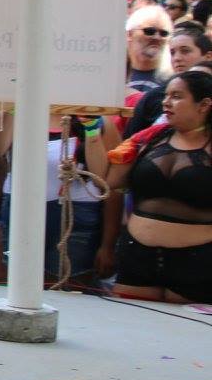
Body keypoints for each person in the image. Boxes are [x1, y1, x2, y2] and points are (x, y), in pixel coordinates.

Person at [88, 70, 212, 303]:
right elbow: (107, 183)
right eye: (166, 95)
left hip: (198, 261)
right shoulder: (146, 140)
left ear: (204, 104)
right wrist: (91, 130)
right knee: (130, 330)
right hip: (137, 256)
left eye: (176, 96)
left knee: (186, 334)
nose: (166, 102)